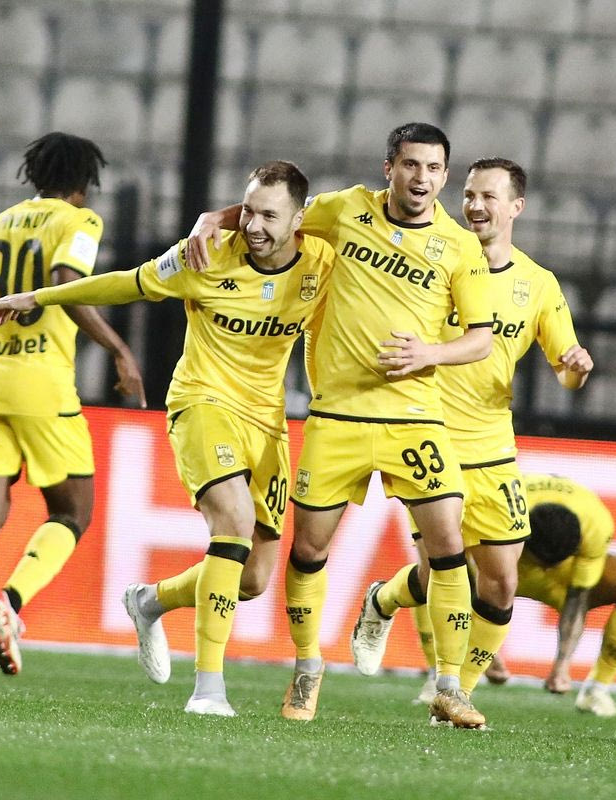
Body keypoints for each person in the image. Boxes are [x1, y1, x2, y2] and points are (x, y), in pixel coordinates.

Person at [0, 160, 335, 716]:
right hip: (203, 404)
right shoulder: (206, 255)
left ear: (299, 220)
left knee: (253, 579)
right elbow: (127, 282)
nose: (253, 225)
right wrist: (40, 298)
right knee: (233, 523)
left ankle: (149, 601)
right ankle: (209, 690)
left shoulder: (324, 259)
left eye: (269, 216)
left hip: (268, 423)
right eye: (248, 211)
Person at [188, 123, 493, 724]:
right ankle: (307, 668)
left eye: (433, 168)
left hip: (413, 416)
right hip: (337, 415)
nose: (422, 178)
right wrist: (210, 220)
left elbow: (480, 339)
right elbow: (274, 216)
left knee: (449, 545)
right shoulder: (346, 209)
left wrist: (431, 353)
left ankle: (450, 685)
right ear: (389, 168)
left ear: (444, 176)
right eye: (411, 165)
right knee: (308, 549)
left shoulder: (459, 248)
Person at [349, 158, 593, 722]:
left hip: (493, 445)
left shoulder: (538, 284)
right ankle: (450, 691)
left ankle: (396, 614)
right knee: (446, 569)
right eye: (469, 195)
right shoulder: (434, 258)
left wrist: (576, 369)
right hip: (427, 436)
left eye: (489, 197)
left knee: (501, 583)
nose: (475, 206)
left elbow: (565, 370)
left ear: (516, 207)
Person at [0, 132, 146, 683]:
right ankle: (9, 601)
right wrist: (119, 350)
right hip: (42, 382)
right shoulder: (79, 221)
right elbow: (67, 282)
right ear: (85, 182)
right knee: (73, 512)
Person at [478, 473, 616, 717]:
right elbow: (467, 582)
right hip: (505, 564)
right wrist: (484, 652)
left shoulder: (595, 524)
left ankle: (597, 689)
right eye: (544, 563)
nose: (546, 569)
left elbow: (577, 596)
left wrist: (562, 666)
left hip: (561, 575)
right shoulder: (498, 512)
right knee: (439, 573)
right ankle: (443, 677)